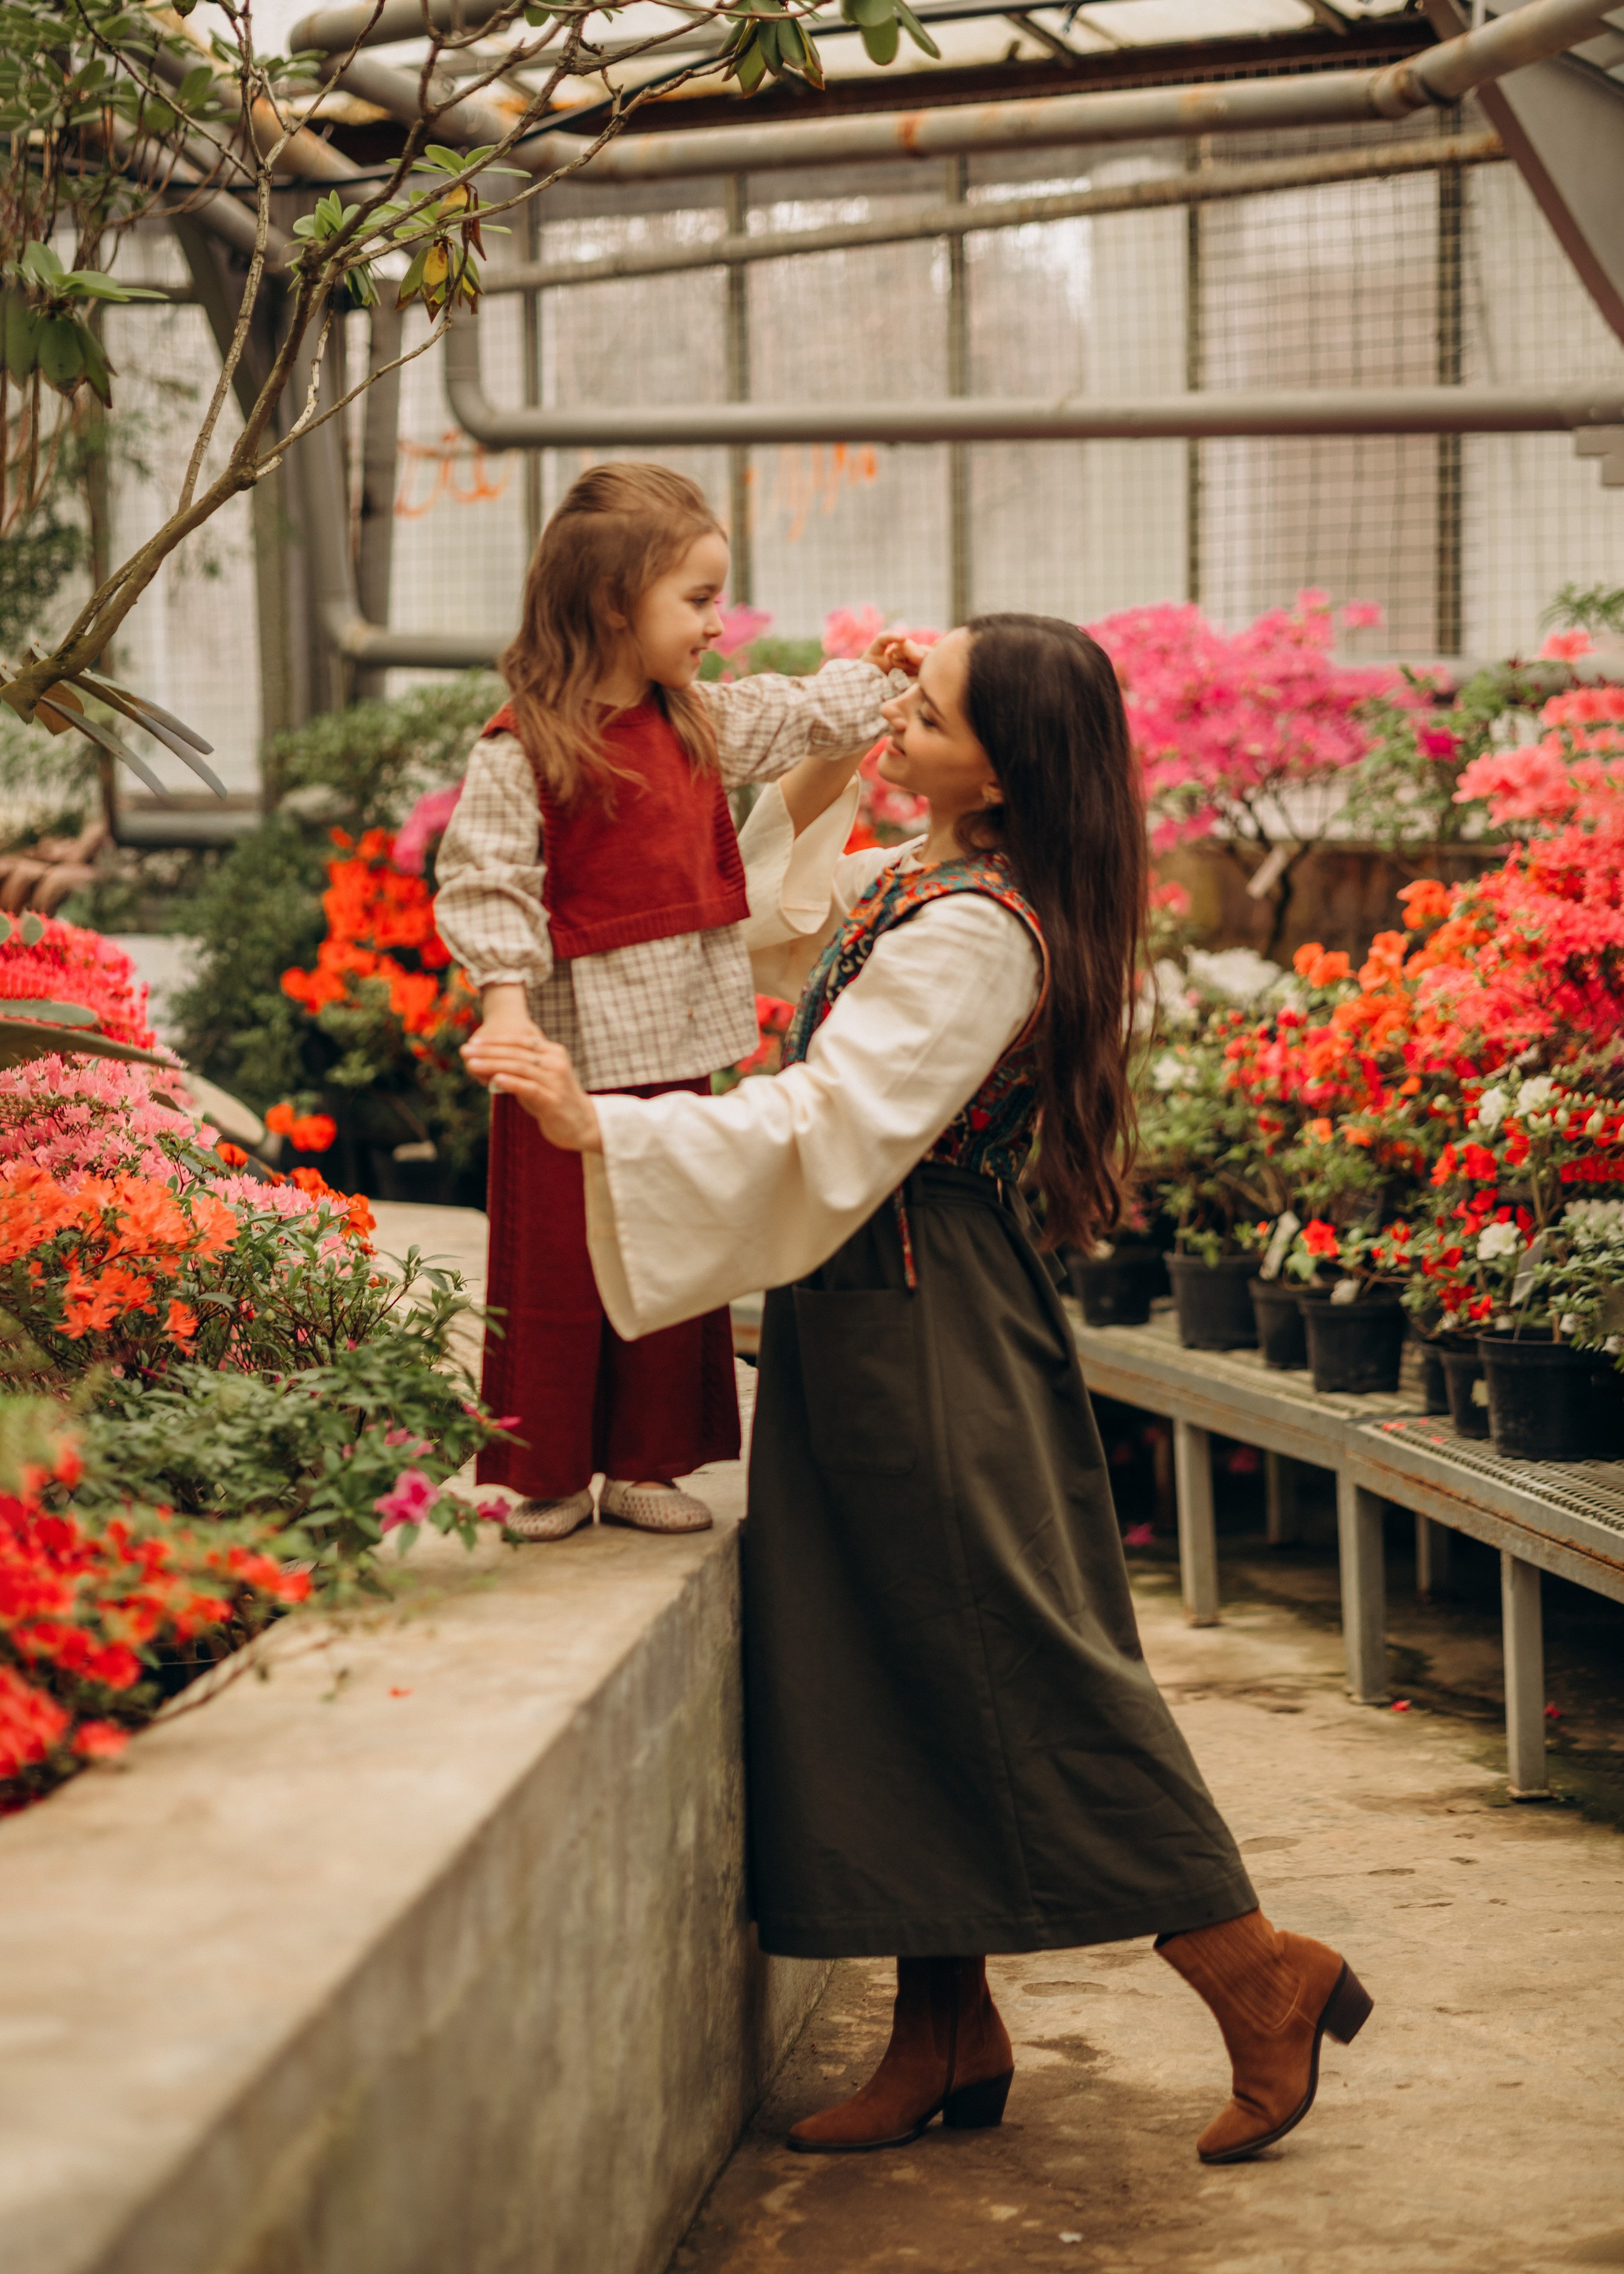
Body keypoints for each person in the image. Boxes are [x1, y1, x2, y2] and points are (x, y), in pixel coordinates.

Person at [461, 612, 1373, 2164]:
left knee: (1010, 1643)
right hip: (869, 1298)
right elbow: (761, 914)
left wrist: (603, 1131)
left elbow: (835, 1116)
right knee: (880, 1648)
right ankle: (943, 2028)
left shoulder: (977, 926)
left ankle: (1250, 1966)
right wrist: (834, 741)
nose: (896, 714)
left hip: (922, 1310)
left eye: (929, 709)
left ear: (1008, 768)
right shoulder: (928, 875)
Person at [435, 462, 913, 1541]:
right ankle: (548, 1469)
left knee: (672, 1238)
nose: (716, 625)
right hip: (563, 1051)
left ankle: (646, 1456)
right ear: (615, 603)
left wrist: (885, 679)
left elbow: (793, 714)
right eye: (697, 601)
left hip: (673, 1045)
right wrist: (505, 1009)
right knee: (557, 1262)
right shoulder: (529, 745)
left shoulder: (695, 719)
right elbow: (488, 875)